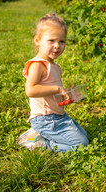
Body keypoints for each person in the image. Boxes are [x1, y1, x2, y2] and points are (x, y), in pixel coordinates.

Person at [18, 13, 89, 152]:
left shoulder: (55, 66)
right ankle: (41, 144)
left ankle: (40, 135)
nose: (57, 46)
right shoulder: (38, 65)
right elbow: (30, 90)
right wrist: (57, 89)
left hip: (58, 116)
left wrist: (66, 93)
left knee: (85, 136)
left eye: (62, 41)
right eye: (51, 41)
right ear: (37, 40)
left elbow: (49, 92)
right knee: (80, 144)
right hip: (45, 120)